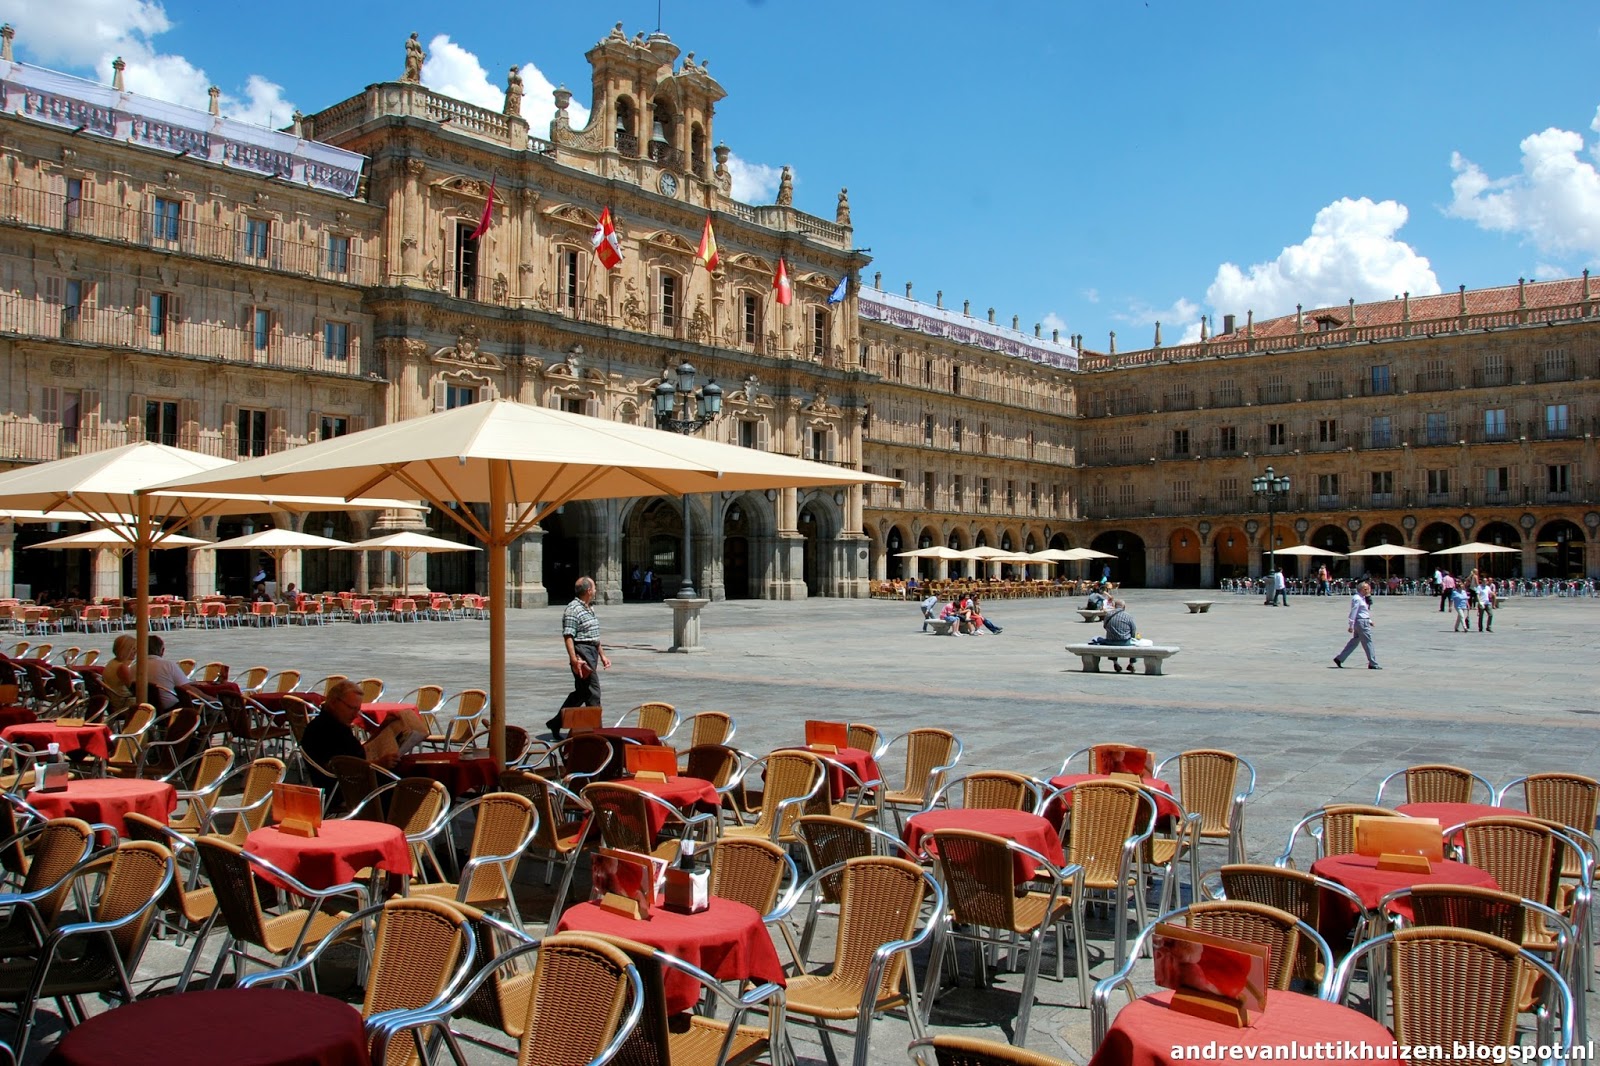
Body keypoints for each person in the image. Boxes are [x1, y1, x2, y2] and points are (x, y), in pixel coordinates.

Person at [302, 679, 400, 789]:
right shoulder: (328, 731)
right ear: (334, 703)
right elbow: (343, 770)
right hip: (352, 790)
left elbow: (354, 754)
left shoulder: (329, 723)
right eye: (351, 708)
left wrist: (383, 727)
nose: (355, 715)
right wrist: (379, 764)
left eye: (357, 710)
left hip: (353, 784)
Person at [546, 576, 610, 739]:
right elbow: (568, 636)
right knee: (593, 693)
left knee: (581, 693)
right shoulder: (572, 609)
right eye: (594, 587)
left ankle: (556, 722)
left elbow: (594, 635)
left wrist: (602, 654)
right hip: (582, 653)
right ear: (588, 590)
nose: (595, 590)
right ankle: (597, 733)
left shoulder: (589, 608)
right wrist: (574, 659)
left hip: (591, 651)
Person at [1333, 580, 1379, 669]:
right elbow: (1354, 611)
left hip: (1363, 621)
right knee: (1368, 642)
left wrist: (1369, 620)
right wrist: (1351, 625)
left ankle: (1340, 658)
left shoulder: (1363, 598)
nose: (1368, 591)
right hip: (1361, 622)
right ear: (1362, 589)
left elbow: (1364, 611)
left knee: (1355, 641)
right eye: (1366, 589)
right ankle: (1373, 663)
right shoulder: (1357, 598)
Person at [1091, 598, 1138, 673]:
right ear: (1124, 607)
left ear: (1114, 606)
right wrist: (1132, 637)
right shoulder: (1128, 616)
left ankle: (1115, 663)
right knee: (1136, 645)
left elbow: (1105, 626)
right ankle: (1131, 664)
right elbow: (1133, 629)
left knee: (1110, 639)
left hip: (1110, 641)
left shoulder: (1108, 615)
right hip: (1124, 642)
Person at [102, 634, 138, 714]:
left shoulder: (111, 662)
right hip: (123, 704)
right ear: (125, 650)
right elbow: (134, 689)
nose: (136, 651)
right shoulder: (122, 667)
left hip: (114, 701)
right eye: (133, 649)